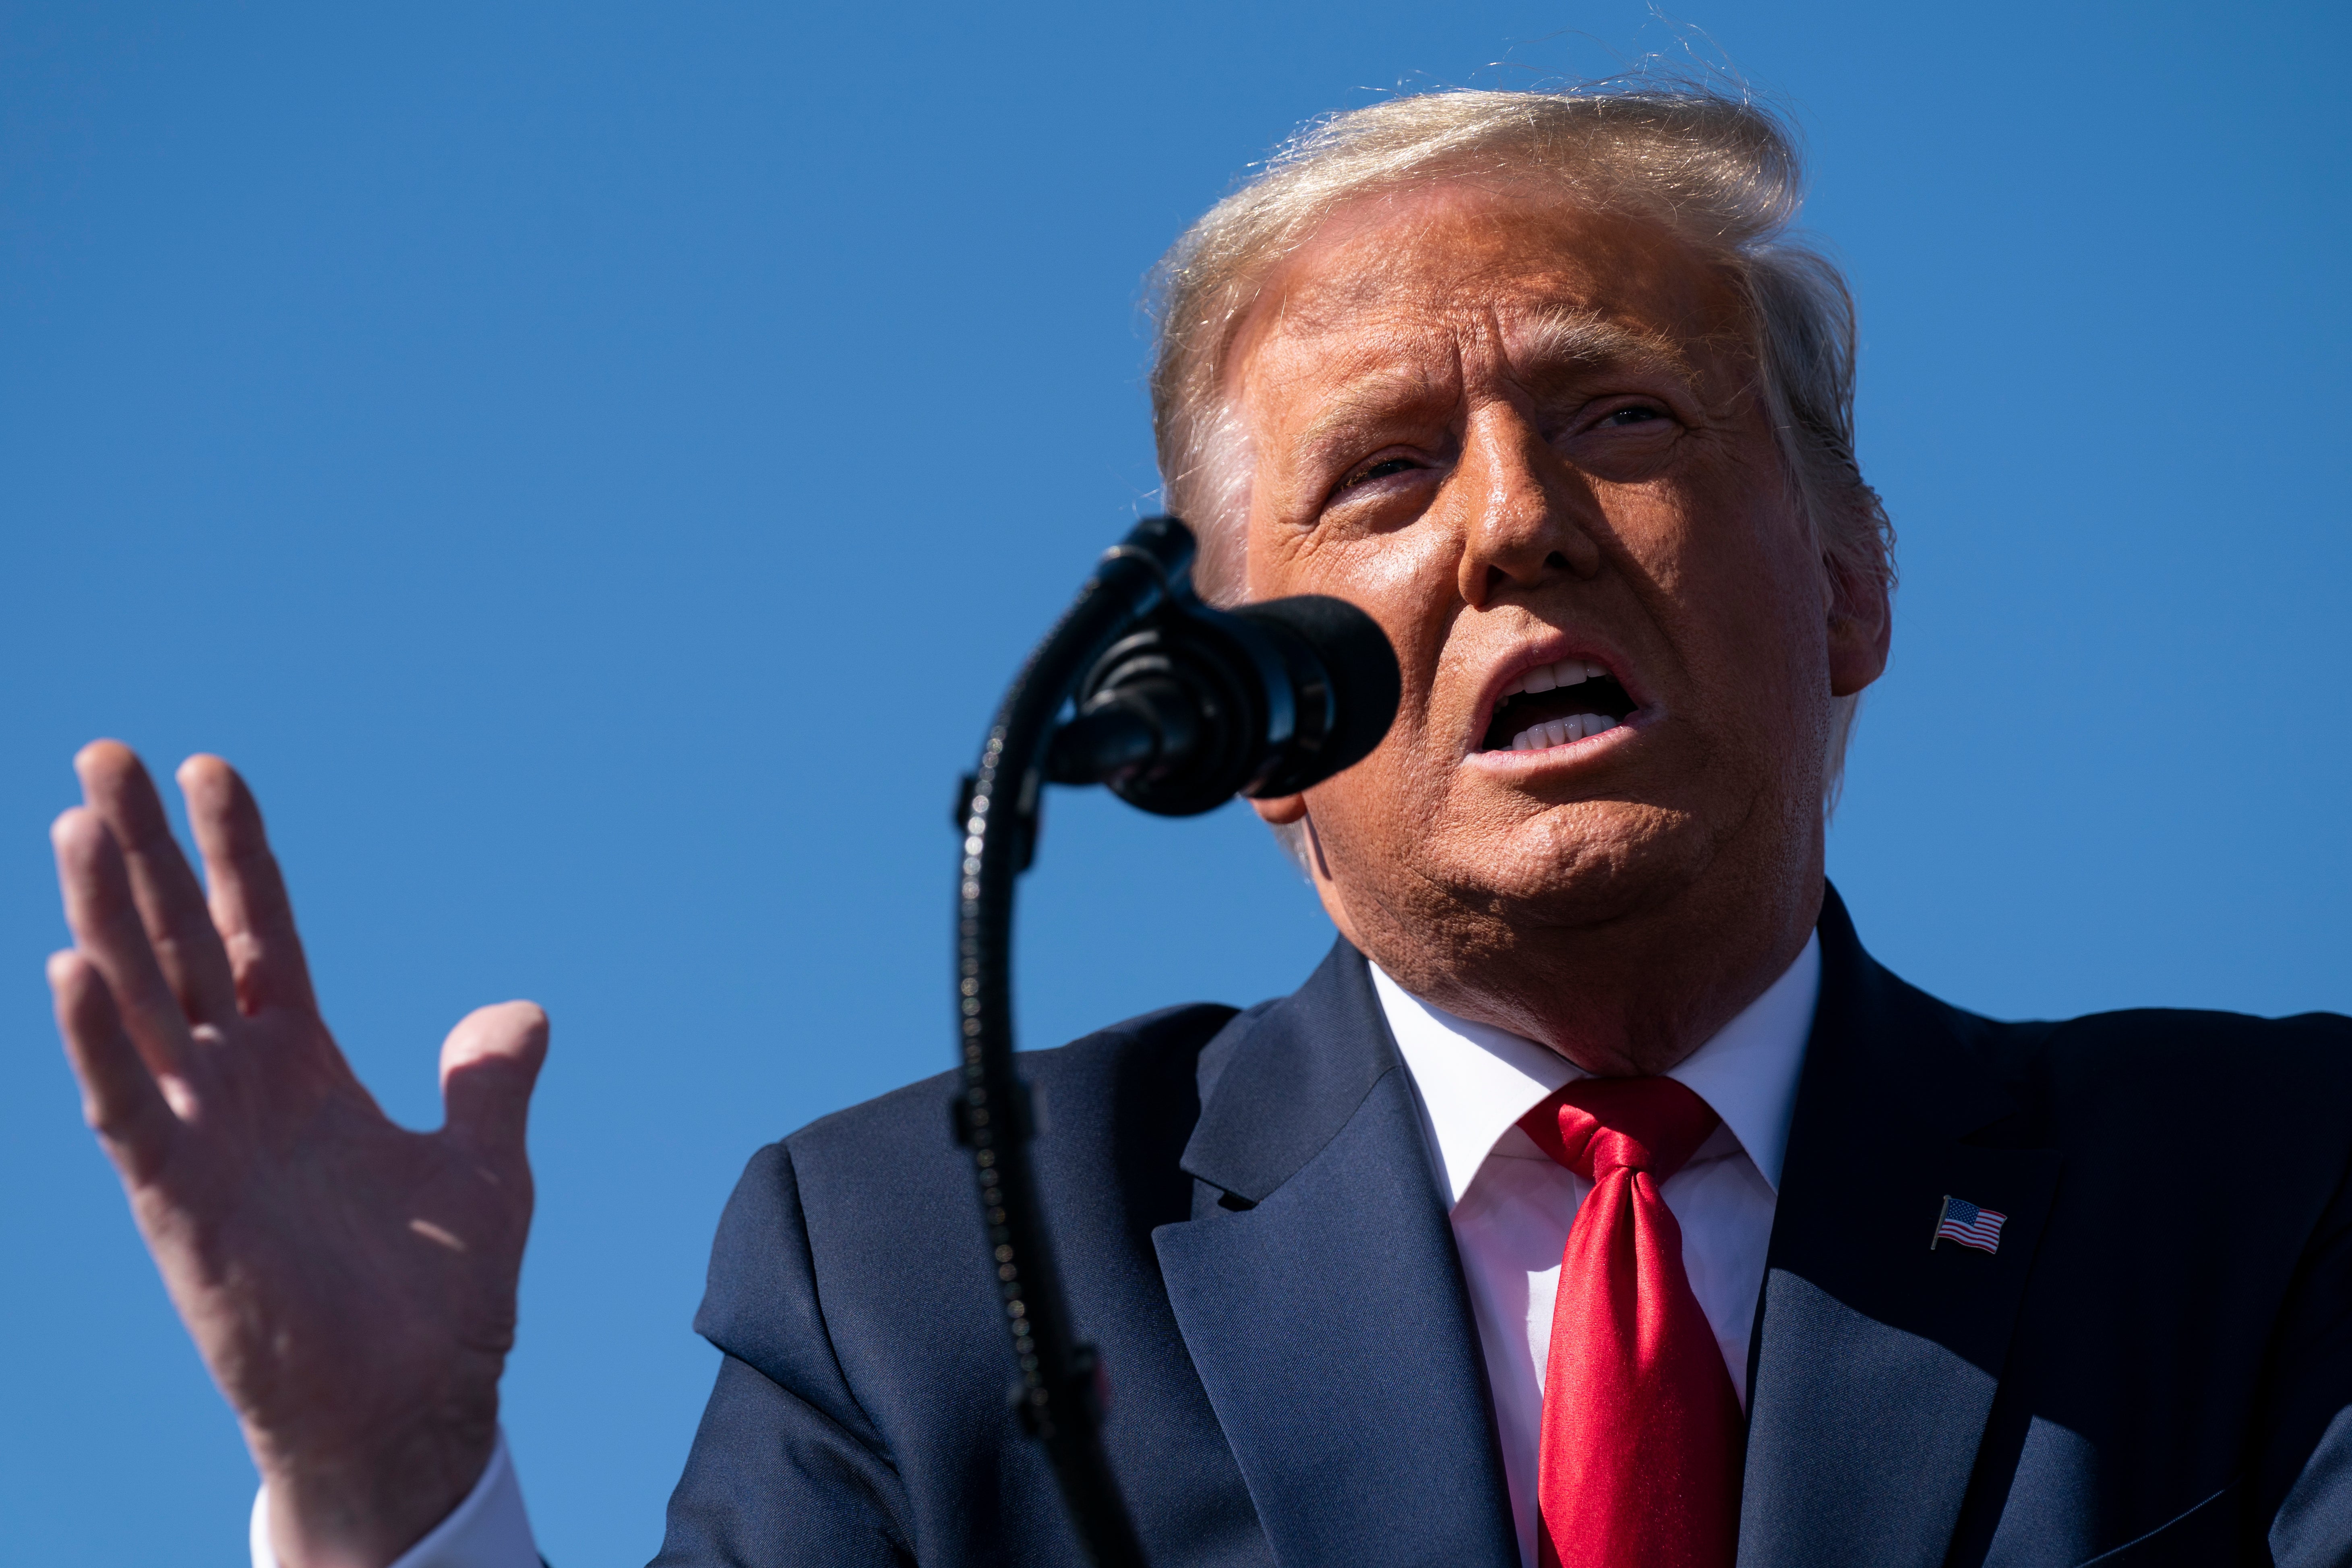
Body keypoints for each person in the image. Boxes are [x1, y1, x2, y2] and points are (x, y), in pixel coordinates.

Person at [45, 85, 2352, 1568]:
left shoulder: (2261, 1188)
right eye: (1379, 476)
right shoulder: (928, 1259)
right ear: (1240, 711)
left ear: (1848, 574)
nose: (1512, 527)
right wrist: (387, 1491)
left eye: (1621, 416)